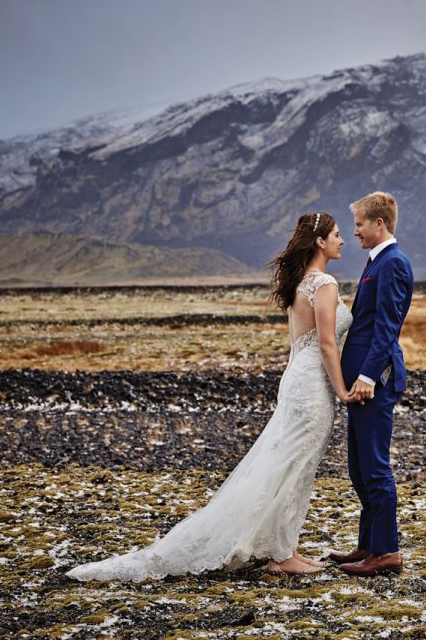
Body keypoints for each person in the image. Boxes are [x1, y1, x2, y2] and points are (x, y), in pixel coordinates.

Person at [65, 212, 354, 581]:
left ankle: (283, 547)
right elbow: (328, 344)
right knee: (295, 465)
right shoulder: (324, 283)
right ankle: (283, 554)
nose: (342, 240)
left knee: (285, 462)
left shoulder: (300, 282)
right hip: (312, 385)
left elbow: (302, 342)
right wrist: (342, 389)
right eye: (337, 234)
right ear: (320, 241)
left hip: (297, 377)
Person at [329, 192, 414, 577]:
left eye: (360, 224)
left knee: (375, 468)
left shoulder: (393, 264)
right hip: (362, 384)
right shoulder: (376, 261)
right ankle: (368, 545)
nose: (356, 231)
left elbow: (387, 327)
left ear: (379, 224)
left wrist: (366, 377)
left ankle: (386, 553)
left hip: (372, 384)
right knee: (359, 469)